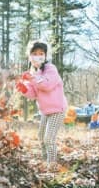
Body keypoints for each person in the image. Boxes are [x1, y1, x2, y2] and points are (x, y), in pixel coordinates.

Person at [16, 40, 67, 171]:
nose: (38, 56)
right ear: (29, 56)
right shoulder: (33, 72)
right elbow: (33, 93)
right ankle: (45, 159)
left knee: (49, 138)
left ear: (45, 56)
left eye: (41, 53)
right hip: (45, 111)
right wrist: (23, 88)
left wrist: (32, 79)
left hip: (57, 109)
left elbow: (47, 85)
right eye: (34, 53)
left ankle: (52, 163)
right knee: (41, 136)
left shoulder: (50, 69)